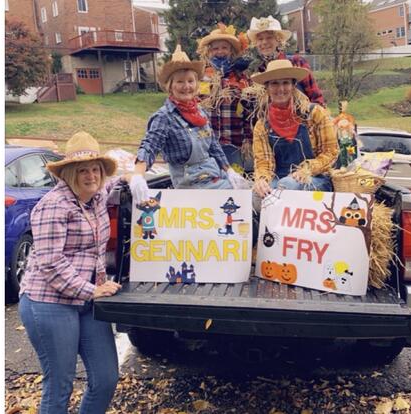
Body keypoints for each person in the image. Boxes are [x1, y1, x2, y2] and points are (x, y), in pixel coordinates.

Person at [18, 131, 138, 414]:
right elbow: (50, 263)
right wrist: (93, 290)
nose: (91, 175)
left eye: (95, 169)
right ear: (69, 173)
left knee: (106, 378)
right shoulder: (54, 205)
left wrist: (132, 178)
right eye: (82, 170)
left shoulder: (96, 196)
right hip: (48, 302)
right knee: (60, 383)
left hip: (85, 301)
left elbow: (118, 179)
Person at [130, 45, 245, 190]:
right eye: (180, 81)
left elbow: (214, 146)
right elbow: (149, 147)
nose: (186, 86)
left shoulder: (200, 112)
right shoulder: (164, 117)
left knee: (247, 190)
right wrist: (138, 174)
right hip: (190, 183)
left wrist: (229, 170)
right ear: (170, 86)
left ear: (196, 84)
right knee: (245, 197)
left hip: (212, 174)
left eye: (190, 81)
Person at [250, 59, 338, 201]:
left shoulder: (315, 113)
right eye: (274, 83)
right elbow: (263, 161)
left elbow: (331, 152)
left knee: (287, 186)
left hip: (315, 178)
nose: (281, 89)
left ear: (293, 85)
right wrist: (262, 180)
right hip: (279, 178)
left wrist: (307, 169)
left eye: (285, 83)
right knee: (256, 195)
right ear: (266, 87)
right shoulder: (262, 125)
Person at [197, 23, 254, 173]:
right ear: (209, 52)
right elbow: (195, 108)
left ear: (231, 51)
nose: (220, 52)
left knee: (236, 185)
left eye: (224, 47)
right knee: (212, 184)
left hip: (235, 143)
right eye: (215, 48)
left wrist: (248, 139)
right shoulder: (201, 78)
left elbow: (249, 112)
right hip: (208, 144)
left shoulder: (242, 78)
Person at [246, 15, 325, 106]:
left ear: (279, 40)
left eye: (269, 37)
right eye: (260, 39)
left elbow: (316, 97)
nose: (264, 42)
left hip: (302, 119)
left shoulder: (297, 62)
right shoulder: (258, 72)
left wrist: (319, 116)